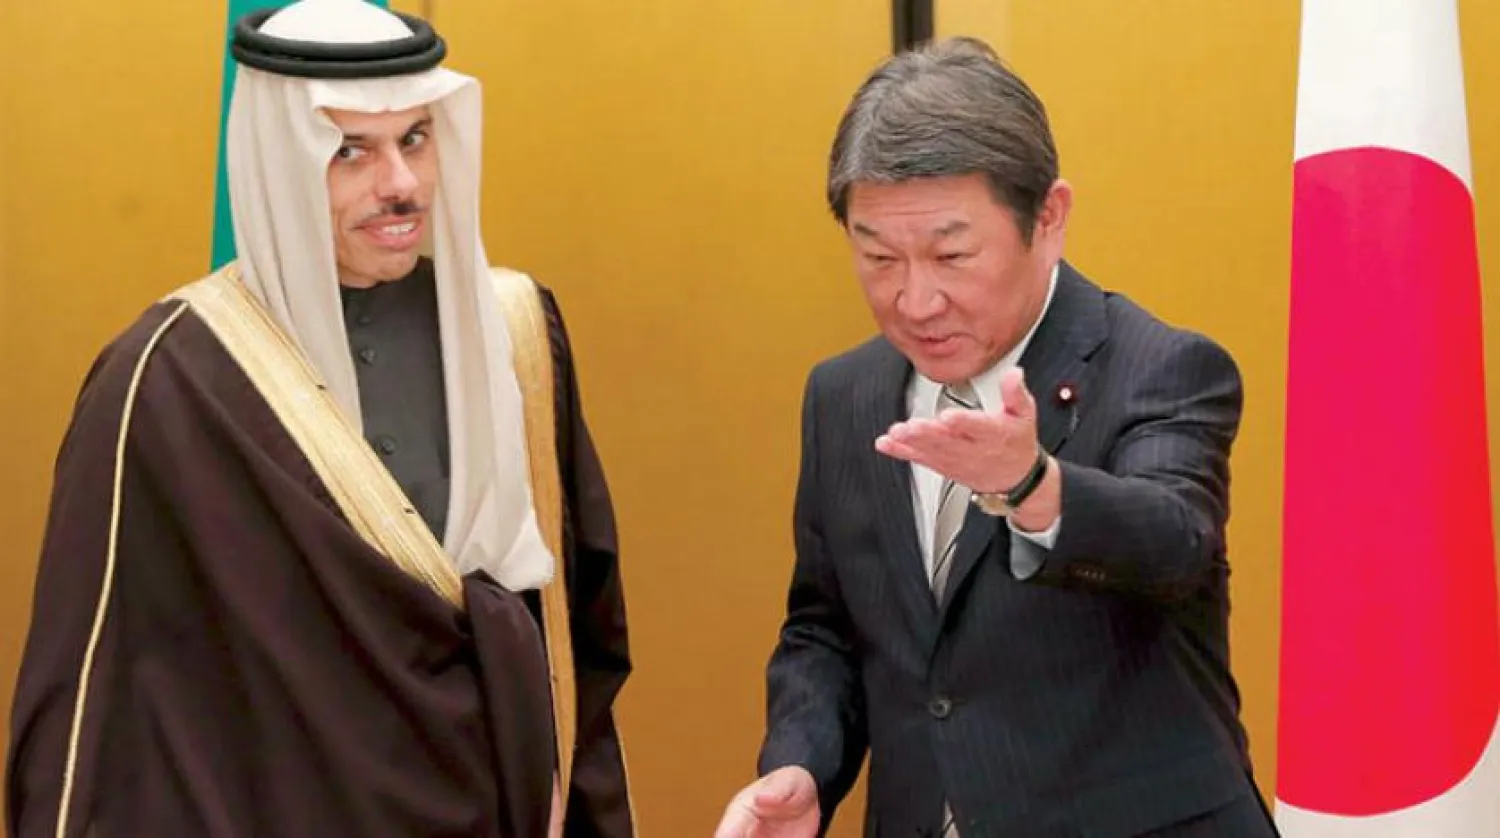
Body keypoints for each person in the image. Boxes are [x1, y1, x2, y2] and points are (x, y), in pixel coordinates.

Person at [5, 2, 635, 837]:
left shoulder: (513, 331)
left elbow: (575, 642)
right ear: (277, 164)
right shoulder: (168, 378)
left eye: (415, 139)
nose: (401, 184)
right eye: (351, 153)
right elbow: (86, 704)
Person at [715, 37, 1277, 838]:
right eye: (877, 257)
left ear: (1047, 219)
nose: (914, 300)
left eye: (952, 254)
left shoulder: (1161, 365)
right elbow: (827, 626)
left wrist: (1034, 488)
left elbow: (1174, 544)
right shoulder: (843, 395)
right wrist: (801, 763)